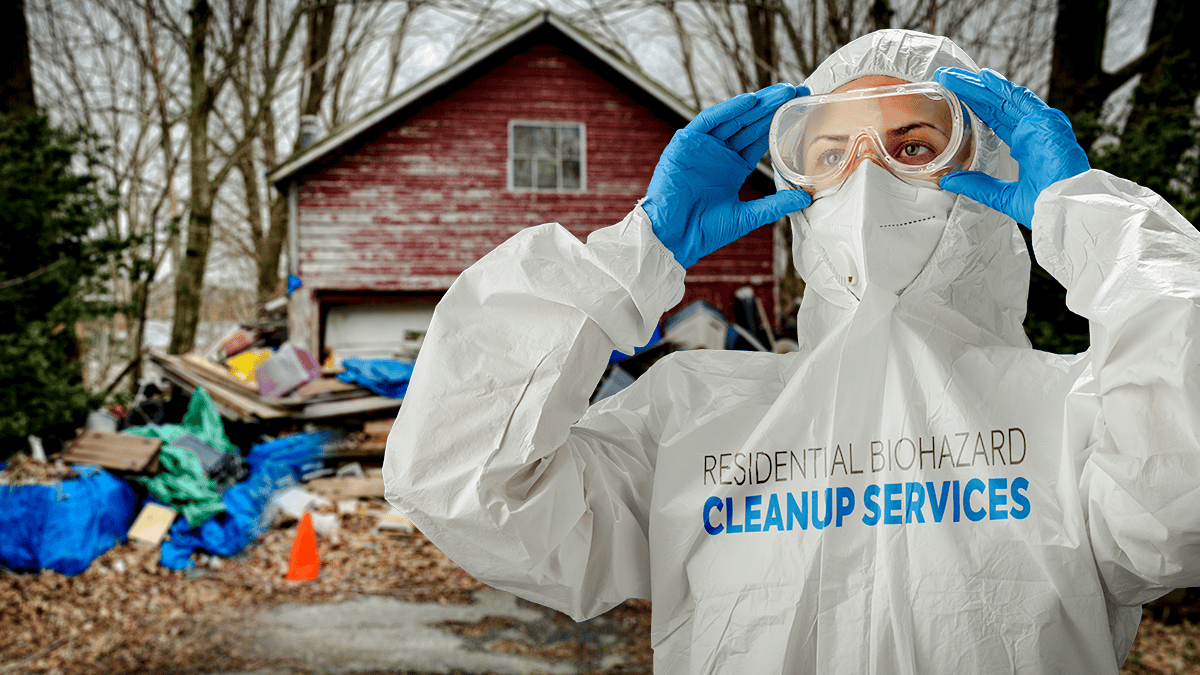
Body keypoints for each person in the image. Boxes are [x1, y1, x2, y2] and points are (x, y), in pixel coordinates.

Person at [384, 29, 1200, 674]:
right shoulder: (698, 416)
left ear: (991, 174)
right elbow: (462, 481)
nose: (869, 178)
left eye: (914, 147)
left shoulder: (1080, 413)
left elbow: (1184, 498)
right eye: (832, 154)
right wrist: (636, 252)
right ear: (800, 195)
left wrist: (1087, 217)